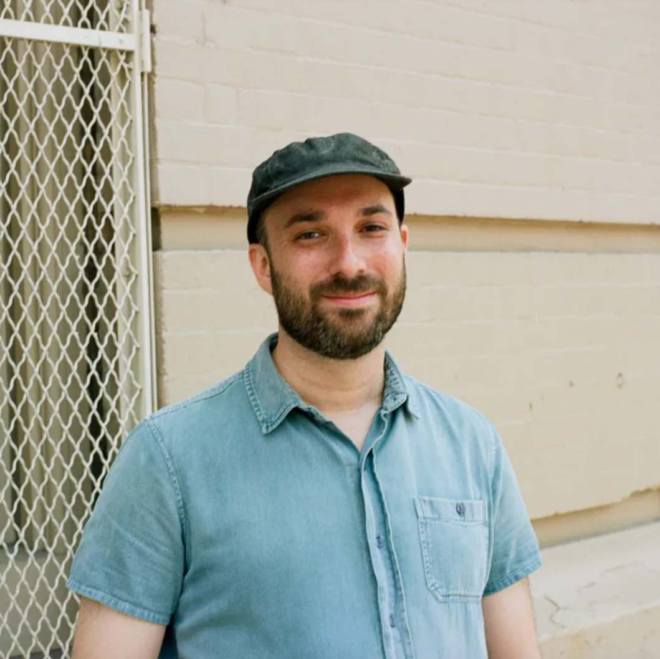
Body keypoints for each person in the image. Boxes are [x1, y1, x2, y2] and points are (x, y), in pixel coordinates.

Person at [67, 132, 543, 659]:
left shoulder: (472, 443)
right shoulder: (167, 461)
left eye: (371, 228)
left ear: (402, 244)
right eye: (311, 234)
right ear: (263, 265)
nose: (349, 262)